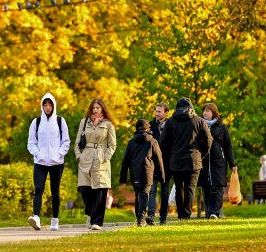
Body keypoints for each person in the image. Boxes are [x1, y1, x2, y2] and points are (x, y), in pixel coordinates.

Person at [159, 97, 212, 221]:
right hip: (194, 160)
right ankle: (186, 215)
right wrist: (201, 154)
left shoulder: (171, 122)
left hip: (176, 161)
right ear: (191, 107)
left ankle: (181, 215)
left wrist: (170, 155)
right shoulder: (199, 121)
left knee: (179, 188)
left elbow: (162, 142)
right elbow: (209, 140)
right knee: (190, 188)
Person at [26, 93, 71, 231]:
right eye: (45, 105)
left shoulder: (60, 121)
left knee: (54, 191)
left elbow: (66, 142)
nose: (47, 107)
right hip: (40, 162)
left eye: (50, 105)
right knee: (38, 189)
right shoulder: (36, 122)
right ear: (42, 106)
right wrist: (38, 154)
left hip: (56, 163)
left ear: (53, 106)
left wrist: (58, 155)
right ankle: (36, 218)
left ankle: (55, 219)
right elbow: (31, 143)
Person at [74, 98, 117, 230]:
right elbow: (76, 143)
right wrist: (79, 157)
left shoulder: (108, 124)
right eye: (93, 108)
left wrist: (106, 158)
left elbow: (113, 144)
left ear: (102, 109)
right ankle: (90, 213)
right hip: (85, 159)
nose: (95, 110)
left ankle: (97, 222)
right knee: (84, 189)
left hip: (100, 159)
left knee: (100, 190)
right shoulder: (84, 122)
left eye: (97, 107)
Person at [120, 119, 165, 227]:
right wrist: (162, 176)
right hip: (147, 172)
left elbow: (125, 161)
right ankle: (141, 219)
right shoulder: (153, 141)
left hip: (134, 172)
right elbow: (159, 159)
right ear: (148, 128)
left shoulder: (131, 142)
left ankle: (139, 218)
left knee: (138, 195)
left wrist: (123, 178)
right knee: (144, 194)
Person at [199, 103, 236, 219]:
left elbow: (228, 146)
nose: (205, 113)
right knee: (206, 188)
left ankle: (214, 213)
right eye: (204, 110)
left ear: (214, 113)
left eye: (208, 111)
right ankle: (208, 213)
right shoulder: (199, 126)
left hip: (218, 161)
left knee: (217, 187)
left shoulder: (222, 127)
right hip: (203, 161)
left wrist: (232, 164)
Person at [147, 102, 171, 225]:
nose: (157, 114)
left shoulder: (171, 126)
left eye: (159, 111)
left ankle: (163, 218)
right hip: (153, 164)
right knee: (151, 190)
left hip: (167, 165)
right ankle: (150, 216)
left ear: (166, 113)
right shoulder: (150, 126)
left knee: (165, 192)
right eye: (156, 111)